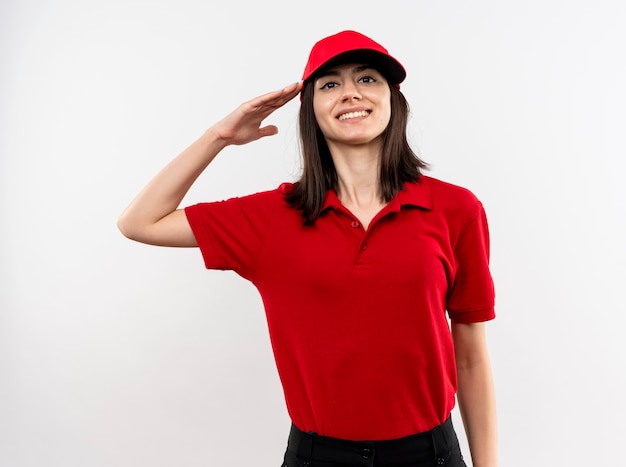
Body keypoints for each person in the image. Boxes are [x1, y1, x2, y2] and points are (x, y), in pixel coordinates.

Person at [118, 30, 498, 467]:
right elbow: (139, 222)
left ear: (393, 99)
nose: (350, 93)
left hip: (430, 455)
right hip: (318, 457)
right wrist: (219, 136)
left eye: (368, 79)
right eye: (330, 84)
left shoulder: (455, 209)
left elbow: (470, 357)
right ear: (310, 110)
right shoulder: (271, 217)